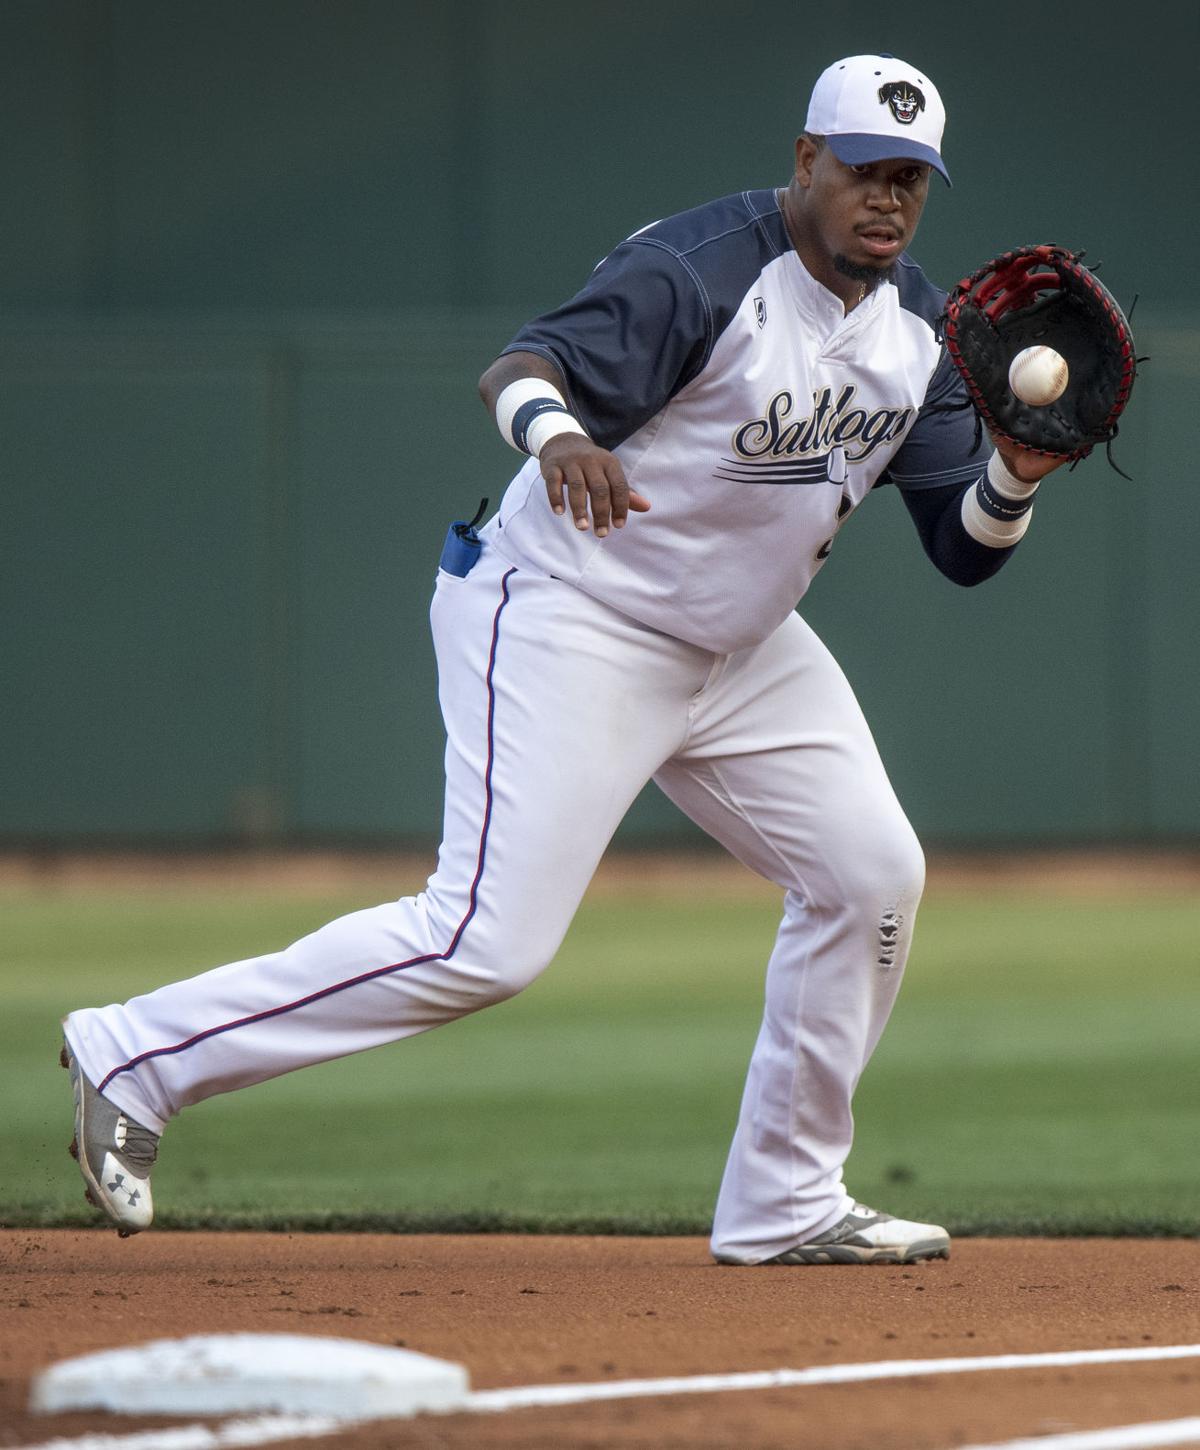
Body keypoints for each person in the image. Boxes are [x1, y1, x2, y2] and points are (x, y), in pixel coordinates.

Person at [62, 53, 1061, 1265]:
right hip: (566, 610)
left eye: (910, 178)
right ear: (806, 161)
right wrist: (559, 437)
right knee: (485, 939)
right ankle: (137, 1052)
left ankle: (787, 1198)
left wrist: (1014, 475)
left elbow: (963, 550)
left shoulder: (919, 331)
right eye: (863, 170)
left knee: (870, 875)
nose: (886, 199)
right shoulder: (703, 271)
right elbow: (521, 365)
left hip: (737, 650)